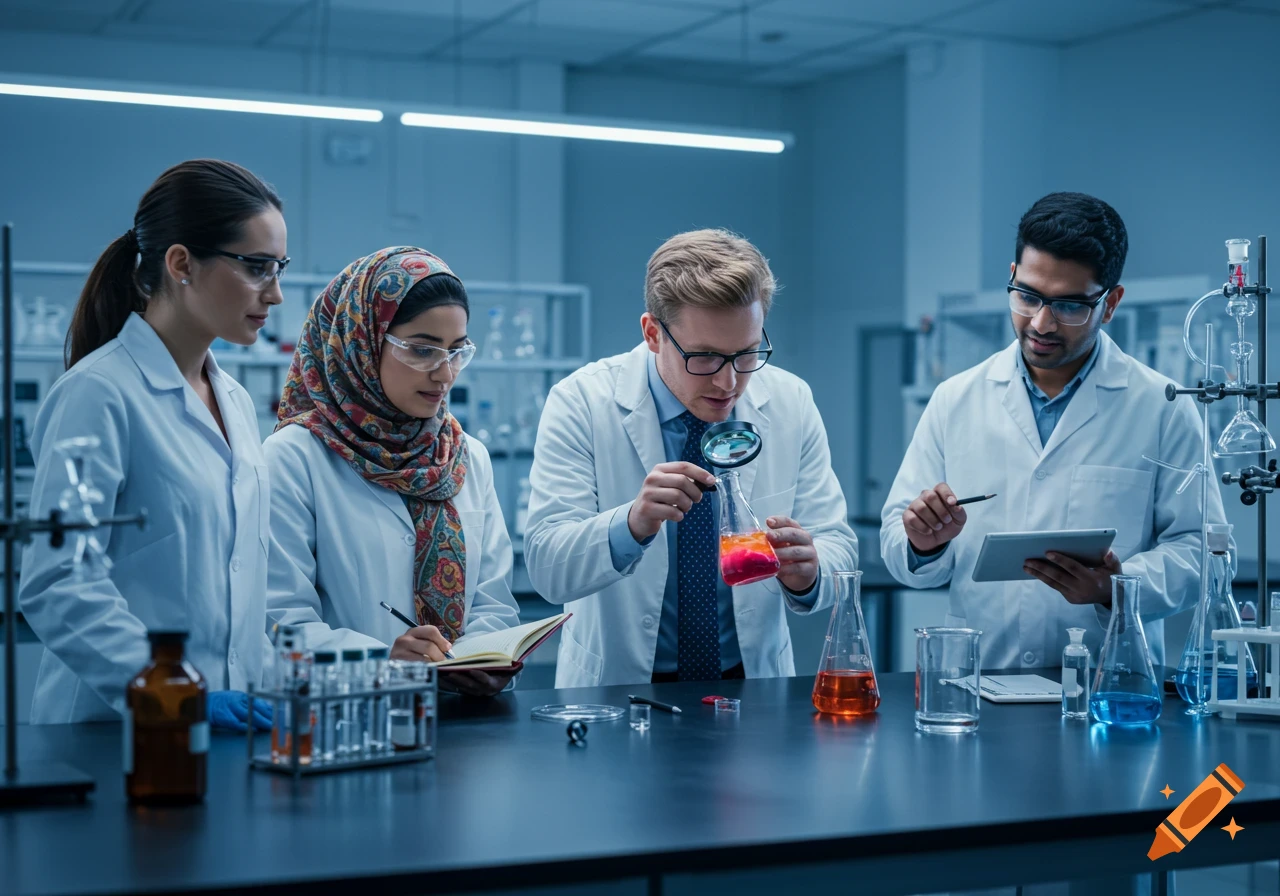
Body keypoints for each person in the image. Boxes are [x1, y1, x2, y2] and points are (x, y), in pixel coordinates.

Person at [880, 192, 1226, 670]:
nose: (1041, 323)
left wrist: (1115, 586)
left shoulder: (1162, 406)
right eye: (1027, 296)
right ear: (1012, 276)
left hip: (1108, 684)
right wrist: (925, 541)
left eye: (1068, 306)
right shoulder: (955, 399)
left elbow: (1206, 552)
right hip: (981, 678)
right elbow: (901, 549)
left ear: (1110, 303)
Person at [525, 228, 857, 687]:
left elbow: (838, 544)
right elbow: (548, 567)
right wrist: (632, 523)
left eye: (747, 354)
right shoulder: (581, 401)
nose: (728, 382)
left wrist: (811, 569)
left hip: (750, 683)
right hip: (620, 686)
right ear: (652, 333)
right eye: (704, 357)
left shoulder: (791, 401)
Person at [19, 159, 285, 728]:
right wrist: (172, 695)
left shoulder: (234, 401)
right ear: (181, 263)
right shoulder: (97, 393)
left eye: (278, 268)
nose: (276, 293)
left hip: (222, 726)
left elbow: (235, 583)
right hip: (113, 733)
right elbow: (59, 582)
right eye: (257, 267)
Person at [264, 247, 520, 697]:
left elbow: (494, 603)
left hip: (467, 714)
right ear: (361, 342)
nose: (444, 374)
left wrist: (485, 657)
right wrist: (383, 664)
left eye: (456, 351)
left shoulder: (464, 456)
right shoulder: (296, 457)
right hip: (349, 713)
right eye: (422, 350)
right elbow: (280, 622)